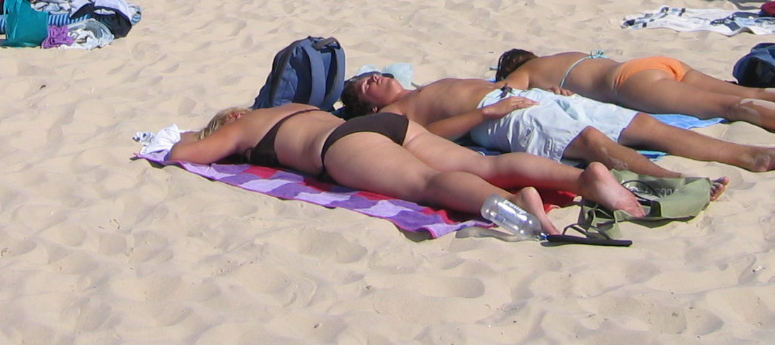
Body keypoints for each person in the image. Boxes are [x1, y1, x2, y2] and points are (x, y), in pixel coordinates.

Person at [167, 104, 649, 232]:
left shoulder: (241, 127)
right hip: (385, 123)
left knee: (428, 184)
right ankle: (581, 178)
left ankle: (515, 208)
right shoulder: (288, 105)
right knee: (488, 163)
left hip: (342, 144)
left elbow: (184, 156)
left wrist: (194, 137)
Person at [342, 72, 775, 177]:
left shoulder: (419, 84)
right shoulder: (395, 116)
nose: (375, 79)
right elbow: (428, 138)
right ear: (368, 108)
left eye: (372, 74)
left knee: (640, 124)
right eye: (366, 85)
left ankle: (751, 155)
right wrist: (486, 114)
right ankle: (672, 180)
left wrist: (524, 90)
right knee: (588, 141)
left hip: (518, 97)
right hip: (498, 119)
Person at [492, 49, 775, 144]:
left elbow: (503, 94)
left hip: (629, 85)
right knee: (750, 91)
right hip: (654, 63)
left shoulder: (524, 71)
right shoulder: (561, 55)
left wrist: (526, 85)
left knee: (733, 108)